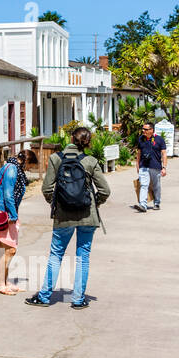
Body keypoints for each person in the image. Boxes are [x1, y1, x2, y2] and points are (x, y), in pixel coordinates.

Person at [27, 126, 110, 310]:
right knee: (83, 257)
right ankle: (78, 299)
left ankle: (44, 296)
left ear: (71, 139)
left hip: (63, 216)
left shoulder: (56, 159)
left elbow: (47, 189)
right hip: (88, 216)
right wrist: (94, 203)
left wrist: (57, 204)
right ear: (88, 143)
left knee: (56, 255)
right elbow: (105, 190)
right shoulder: (91, 161)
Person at [0, 155, 27, 294]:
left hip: (1, 209)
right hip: (5, 211)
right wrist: (14, 215)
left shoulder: (8, 166)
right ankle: (0, 284)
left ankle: (5, 281)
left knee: (5, 248)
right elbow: (8, 194)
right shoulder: (13, 169)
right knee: (11, 249)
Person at [133, 121, 167, 213]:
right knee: (144, 185)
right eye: (143, 129)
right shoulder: (141, 139)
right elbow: (139, 153)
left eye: (146, 129)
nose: (143, 131)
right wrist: (137, 166)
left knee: (156, 186)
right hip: (143, 166)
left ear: (151, 130)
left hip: (155, 167)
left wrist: (164, 167)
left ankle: (157, 202)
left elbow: (164, 154)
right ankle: (143, 205)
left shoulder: (159, 139)